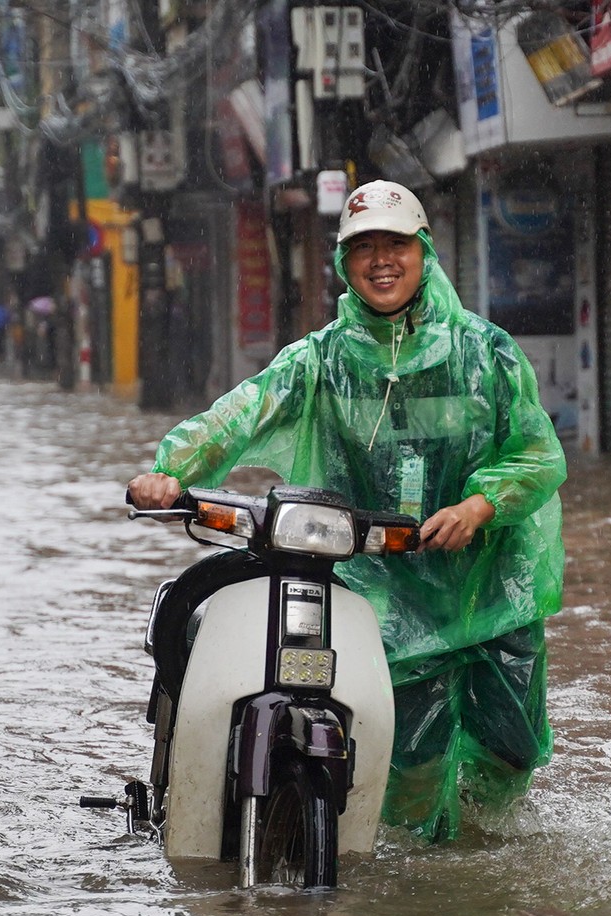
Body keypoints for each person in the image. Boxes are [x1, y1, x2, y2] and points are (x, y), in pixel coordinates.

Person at [127, 180, 567, 842]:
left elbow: (538, 455)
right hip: (389, 597)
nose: (381, 261)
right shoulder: (320, 361)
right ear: (344, 262)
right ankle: (425, 890)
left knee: (510, 751)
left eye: (395, 244)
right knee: (409, 768)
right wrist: (168, 472)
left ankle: (487, 854)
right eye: (364, 248)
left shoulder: (486, 353)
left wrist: (479, 505)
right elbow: (240, 414)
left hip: (492, 586)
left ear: (424, 252)